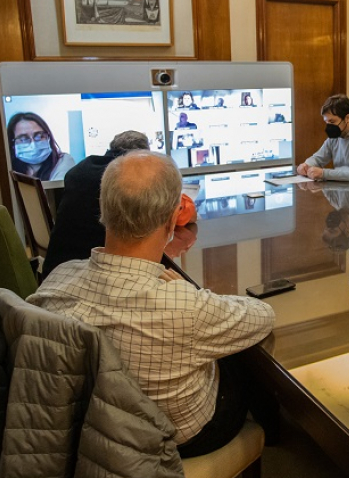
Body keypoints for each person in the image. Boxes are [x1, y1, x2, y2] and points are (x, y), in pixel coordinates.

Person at [28, 150, 275, 458]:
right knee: (238, 359)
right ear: (174, 218)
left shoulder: (56, 281)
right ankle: (277, 430)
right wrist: (194, 295)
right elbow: (263, 316)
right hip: (181, 436)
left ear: (103, 209)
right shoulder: (183, 304)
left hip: (90, 429)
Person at [42, 130, 151, 279]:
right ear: (140, 156)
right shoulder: (123, 178)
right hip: (86, 272)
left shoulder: (80, 169)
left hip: (56, 265)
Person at [296, 94, 349, 187]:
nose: (329, 126)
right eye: (326, 122)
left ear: (347, 118)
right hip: (341, 193)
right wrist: (306, 165)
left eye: (332, 122)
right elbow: (318, 158)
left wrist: (323, 173)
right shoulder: (335, 136)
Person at [7, 112, 74, 181]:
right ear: (12, 143)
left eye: (39, 136)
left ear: (48, 137)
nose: (33, 144)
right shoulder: (7, 166)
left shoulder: (62, 161)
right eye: (23, 139)